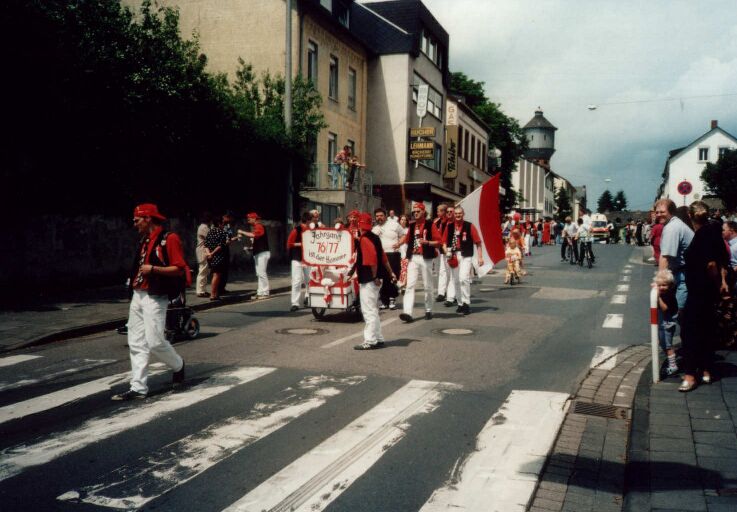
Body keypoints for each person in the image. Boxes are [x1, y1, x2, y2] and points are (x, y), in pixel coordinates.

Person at [113, 204, 185, 400]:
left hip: (155, 296)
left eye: (137, 220)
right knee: (135, 341)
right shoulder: (144, 240)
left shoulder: (169, 239)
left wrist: (153, 269)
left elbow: (179, 269)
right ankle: (138, 387)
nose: (134, 224)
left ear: (148, 219)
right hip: (138, 294)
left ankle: (178, 365)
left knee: (154, 342)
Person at [678, 201, 729, 392]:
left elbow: (711, 265)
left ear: (690, 217)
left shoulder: (701, 235)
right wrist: (720, 285)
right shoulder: (714, 231)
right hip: (709, 293)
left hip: (699, 290)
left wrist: (714, 280)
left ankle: (690, 376)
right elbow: (722, 259)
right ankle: (707, 370)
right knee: (708, 328)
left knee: (690, 332)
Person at [399, 203, 441, 322]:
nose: (415, 213)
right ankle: (407, 312)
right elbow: (406, 239)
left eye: (418, 211)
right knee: (410, 285)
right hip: (413, 257)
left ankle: (428, 309)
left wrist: (427, 242)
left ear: (423, 212)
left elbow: (439, 241)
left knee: (427, 285)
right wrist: (398, 243)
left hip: (425, 258)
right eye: (414, 211)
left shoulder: (430, 224)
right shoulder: (412, 225)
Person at [354, 213, 389, 350]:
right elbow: (383, 257)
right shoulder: (375, 237)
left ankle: (370, 340)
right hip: (375, 278)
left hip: (369, 279)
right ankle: (378, 338)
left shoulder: (364, 239)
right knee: (373, 309)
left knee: (368, 310)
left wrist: (374, 277)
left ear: (359, 224)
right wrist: (390, 273)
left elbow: (372, 259)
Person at [443, 206, 484, 315]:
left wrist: (480, 257)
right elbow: (444, 242)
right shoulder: (449, 227)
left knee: (463, 278)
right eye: (456, 213)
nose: (457, 215)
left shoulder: (469, 226)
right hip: (453, 255)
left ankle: (466, 303)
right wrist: (446, 251)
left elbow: (478, 243)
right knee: (456, 280)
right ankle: (460, 304)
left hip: (466, 255)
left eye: (460, 213)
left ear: (463, 213)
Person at [656, 198, 694, 313]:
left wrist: (660, 281)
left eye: (662, 212)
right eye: (657, 212)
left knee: (675, 314)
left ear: (671, 211)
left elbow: (666, 257)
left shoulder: (672, 228)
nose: (658, 215)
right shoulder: (675, 224)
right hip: (684, 273)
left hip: (683, 275)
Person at [373, 208, 403, 310]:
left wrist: (399, 243)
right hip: (381, 255)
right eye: (377, 216)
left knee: (392, 276)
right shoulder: (375, 228)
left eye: (381, 215)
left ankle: (392, 299)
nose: (379, 218)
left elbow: (403, 235)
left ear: (385, 216)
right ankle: (384, 300)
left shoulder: (394, 224)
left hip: (393, 254)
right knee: (383, 277)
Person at [654, 269, 679, 377]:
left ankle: (673, 366)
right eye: (659, 285)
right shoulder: (665, 292)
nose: (661, 288)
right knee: (663, 343)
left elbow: (664, 308)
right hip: (662, 321)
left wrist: (658, 297)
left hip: (668, 323)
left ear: (670, 285)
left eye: (664, 285)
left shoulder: (668, 295)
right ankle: (671, 360)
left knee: (668, 345)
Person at [239, 212, 270, 298]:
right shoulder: (256, 227)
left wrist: (242, 232)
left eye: (249, 218)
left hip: (262, 253)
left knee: (262, 273)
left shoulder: (259, 226)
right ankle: (260, 292)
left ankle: (265, 292)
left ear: (254, 219)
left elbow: (254, 235)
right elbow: (257, 240)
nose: (248, 220)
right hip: (259, 252)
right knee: (259, 273)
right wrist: (250, 248)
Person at [287, 211, 312, 312]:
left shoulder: (311, 230)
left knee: (309, 280)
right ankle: (295, 303)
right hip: (297, 258)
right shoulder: (296, 230)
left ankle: (309, 298)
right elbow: (289, 243)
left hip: (308, 258)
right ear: (308, 220)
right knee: (297, 281)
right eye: (310, 220)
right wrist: (301, 244)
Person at [204, 215, 229, 301]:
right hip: (219, 256)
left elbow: (206, 244)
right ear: (219, 223)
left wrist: (209, 254)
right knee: (217, 275)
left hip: (210, 257)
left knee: (215, 274)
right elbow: (220, 246)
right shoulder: (222, 232)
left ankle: (215, 294)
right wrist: (213, 253)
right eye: (223, 223)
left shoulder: (210, 232)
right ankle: (213, 294)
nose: (224, 224)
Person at [433, 203, 449, 302]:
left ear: (444, 211)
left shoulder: (449, 221)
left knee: (445, 271)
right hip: (437, 249)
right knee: (439, 271)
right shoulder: (436, 221)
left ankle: (443, 292)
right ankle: (442, 291)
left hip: (445, 248)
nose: (437, 212)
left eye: (439, 211)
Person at [195, 212, 212, 297]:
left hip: (204, 249)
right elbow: (210, 237)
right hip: (202, 250)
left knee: (205, 271)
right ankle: (200, 291)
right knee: (202, 270)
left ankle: (203, 290)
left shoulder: (203, 226)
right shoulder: (203, 227)